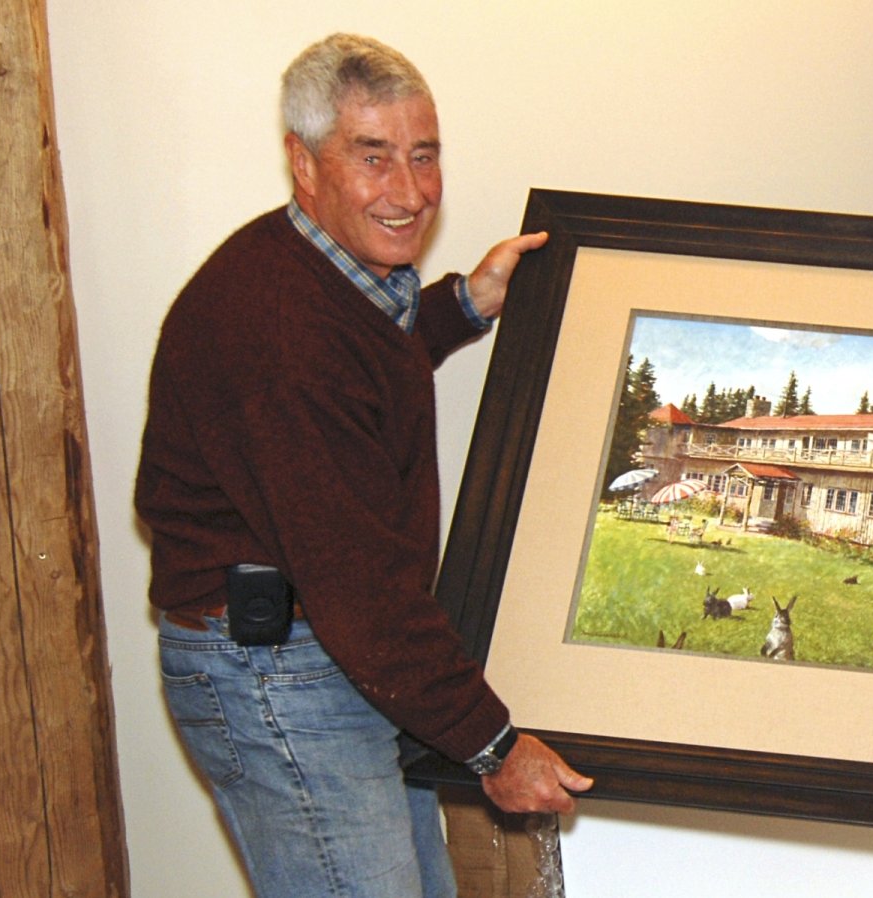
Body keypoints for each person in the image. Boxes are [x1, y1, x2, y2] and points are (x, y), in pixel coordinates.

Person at [136, 33, 590, 897]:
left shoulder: (317, 271)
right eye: (372, 157)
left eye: (424, 156)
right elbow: (358, 581)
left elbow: (358, 371)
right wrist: (492, 744)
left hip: (324, 651)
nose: (411, 191)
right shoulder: (276, 332)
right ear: (302, 163)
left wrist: (462, 305)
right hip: (280, 674)